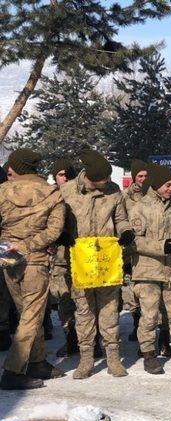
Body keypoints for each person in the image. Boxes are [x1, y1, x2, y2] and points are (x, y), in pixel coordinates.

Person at [59, 149, 134, 379]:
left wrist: (126, 232)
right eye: (104, 179)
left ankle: (113, 358)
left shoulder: (114, 192)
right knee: (84, 311)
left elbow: (121, 219)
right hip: (80, 261)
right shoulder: (67, 191)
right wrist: (62, 234)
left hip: (106, 261)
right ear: (91, 177)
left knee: (110, 309)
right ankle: (86, 359)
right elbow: (57, 219)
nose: (109, 182)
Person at [0, 148, 65, 390]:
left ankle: (37, 362)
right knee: (31, 315)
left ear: (17, 167)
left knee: (27, 314)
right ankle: (13, 370)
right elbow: (54, 230)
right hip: (35, 259)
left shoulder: (2, 191)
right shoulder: (51, 193)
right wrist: (29, 245)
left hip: (8, 257)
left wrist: (7, 245)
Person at [129, 165, 171, 374]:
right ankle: (149, 355)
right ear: (157, 184)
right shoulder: (139, 208)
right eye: (168, 185)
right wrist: (160, 247)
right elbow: (134, 241)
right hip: (148, 272)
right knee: (149, 316)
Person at [47, 159, 79, 358]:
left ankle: (90, 341)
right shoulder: (49, 196)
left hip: (82, 256)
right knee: (65, 301)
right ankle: (70, 339)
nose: (64, 177)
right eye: (60, 174)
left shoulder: (81, 196)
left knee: (85, 302)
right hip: (59, 258)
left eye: (68, 174)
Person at [121, 159, 148, 346]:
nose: (144, 179)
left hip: (149, 249)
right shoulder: (125, 197)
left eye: (146, 175)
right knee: (132, 291)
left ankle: (149, 327)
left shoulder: (153, 195)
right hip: (130, 251)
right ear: (134, 177)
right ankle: (136, 322)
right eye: (140, 176)